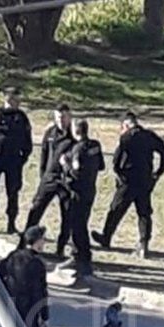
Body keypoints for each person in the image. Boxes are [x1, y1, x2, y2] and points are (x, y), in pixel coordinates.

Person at [93, 112, 164, 259]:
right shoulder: (149, 136)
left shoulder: (126, 137)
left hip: (128, 181)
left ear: (125, 125)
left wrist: (119, 176)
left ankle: (106, 237)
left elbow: (116, 160)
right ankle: (144, 244)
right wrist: (157, 173)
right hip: (145, 180)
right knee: (144, 213)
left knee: (116, 209)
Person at [0, 87, 33, 234]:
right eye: (15, 100)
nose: (17, 103)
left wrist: (23, 158)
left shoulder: (22, 117)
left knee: (13, 192)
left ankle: (11, 223)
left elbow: (27, 140)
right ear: (7, 99)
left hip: (13, 162)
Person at [60, 119, 105, 280]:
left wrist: (65, 164)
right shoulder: (95, 145)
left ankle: (83, 259)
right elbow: (101, 166)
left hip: (78, 191)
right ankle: (77, 255)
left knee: (77, 226)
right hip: (90, 189)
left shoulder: (77, 150)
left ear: (76, 131)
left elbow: (75, 173)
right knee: (81, 222)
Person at [24, 105, 74, 249]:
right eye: (58, 117)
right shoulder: (50, 133)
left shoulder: (74, 134)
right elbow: (44, 155)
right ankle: (26, 241)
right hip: (50, 178)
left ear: (69, 117)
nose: (61, 120)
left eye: (64, 117)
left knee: (67, 214)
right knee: (36, 208)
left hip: (66, 181)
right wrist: (43, 175)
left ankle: (61, 246)